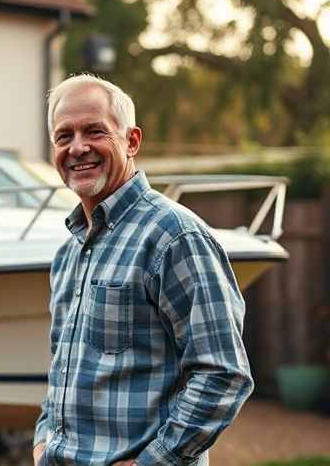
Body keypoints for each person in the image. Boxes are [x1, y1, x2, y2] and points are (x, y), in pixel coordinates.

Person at [33, 75, 253, 466]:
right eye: (63, 136)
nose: (77, 147)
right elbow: (61, 370)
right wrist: (42, 443)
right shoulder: (68, 253)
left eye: (94, 131)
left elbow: (223, 374)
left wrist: (152, 462)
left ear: (132, 141)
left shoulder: (175, 236)